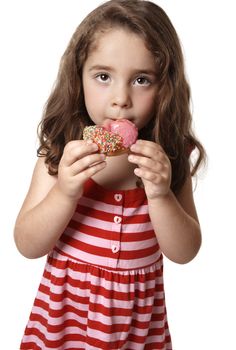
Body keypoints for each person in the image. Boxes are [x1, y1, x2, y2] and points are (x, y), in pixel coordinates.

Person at [14, 0, 206, 349]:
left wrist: (161, 194)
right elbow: (27, 245)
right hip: (64, 325)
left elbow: (184, 251)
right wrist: (65, 193)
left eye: (142, 79)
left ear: (165, 87)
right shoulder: (60, 154)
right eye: (103, 76)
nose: (121, 99)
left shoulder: (167, 160)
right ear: (79, 77)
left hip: (135, 330)